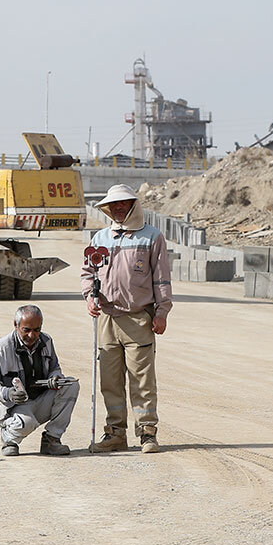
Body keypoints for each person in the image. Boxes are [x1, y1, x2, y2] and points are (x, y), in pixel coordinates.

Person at [82, 183, 172, 454]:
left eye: (123, 204)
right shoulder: (100, 239)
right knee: (109, 380)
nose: (118, 208)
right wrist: (90, 297)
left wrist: (162, 312)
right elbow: (88, 273)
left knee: (142, 380)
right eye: (113, 205)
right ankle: (115, 434)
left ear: (133, 205)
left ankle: (147, 433)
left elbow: (162, 278)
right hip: (108, 319)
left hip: (138, 319)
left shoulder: (151, 237)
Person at [0, 305, 79, 456]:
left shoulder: (46, 341)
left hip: (39, 399)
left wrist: (55, 378)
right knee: (26, 424)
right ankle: (9, 439)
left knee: (71, 385)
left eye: (36, 330)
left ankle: (51, 439)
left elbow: (55, 367)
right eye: (26, 330)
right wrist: (8, 393)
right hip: (14, 406)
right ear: (16, 325)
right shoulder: (0, 349)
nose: (31, 335)